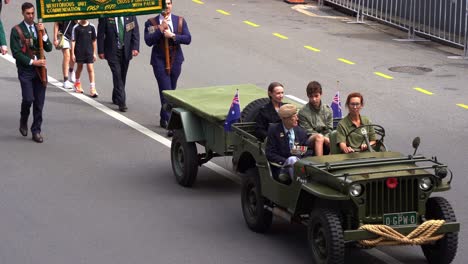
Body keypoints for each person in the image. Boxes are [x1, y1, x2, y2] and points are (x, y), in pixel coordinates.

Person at [144, 0, 191, 136]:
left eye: (169, 3)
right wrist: (160, 29)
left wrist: (173, 36)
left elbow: (188, 38)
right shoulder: (151, 22)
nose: (167, 6)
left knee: (172, 90)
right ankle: (171, 123)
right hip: (159, 60)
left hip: (176, 60)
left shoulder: (179, 21)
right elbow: (148, 40)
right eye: (164, 4)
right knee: (166, 91)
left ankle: (163, 115)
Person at [10, 2, 53, 143]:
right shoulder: (16, 30)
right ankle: (24, 119)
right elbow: (16, 53)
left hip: (40, 70)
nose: (31, 16)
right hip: (26, 70)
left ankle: (36, 131)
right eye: (28, 13)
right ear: (23, 13)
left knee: (39, 103)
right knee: (28, 99)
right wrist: (33, 62)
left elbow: (49, 48)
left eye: (33, 13)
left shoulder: (39, 27)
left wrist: (44, 34)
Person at [98, 16, 140, 112]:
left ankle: (116, 96)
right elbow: (100, 33)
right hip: (112, 50)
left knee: (122, 75)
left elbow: (135, 32)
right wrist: (100, 50)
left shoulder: (130, 16)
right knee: (117, 74)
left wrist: (136, 47)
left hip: (126, 50)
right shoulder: (106, 16)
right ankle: (122, 102)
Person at [266, 104, 311, 183]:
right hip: (281, 167)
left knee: (293, 159)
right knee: (291, 159)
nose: (297, 119)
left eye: (296, 116)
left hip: (301, 166)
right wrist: (287, 160)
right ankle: (300, 183)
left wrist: (297, 157)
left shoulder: (300, 131)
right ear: (284, 119)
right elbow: (270, 153)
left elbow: (308, 150)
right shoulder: (274, 130)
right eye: (294, 117)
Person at [298, 81, 333, 156]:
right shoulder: (303, 112)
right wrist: (324, 138)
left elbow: (329, 129)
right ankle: (319, 162)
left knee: (336, 140)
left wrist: (327, 138)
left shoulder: (328, 109)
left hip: (325, 136)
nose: (314, 99)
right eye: (311, 96)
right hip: (309, 139)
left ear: (321, 94)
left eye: (316, 96)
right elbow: (308, 131)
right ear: (308, 96)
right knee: (319, 137)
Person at [71, 19, 98, 98]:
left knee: (90, 68)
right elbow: (73, 41)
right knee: (80, 67)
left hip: (89, 51)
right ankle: (77, 83)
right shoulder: (76, 27)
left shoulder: (92, 27)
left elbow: (94, 40)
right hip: (79, 51)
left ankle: (92, 88)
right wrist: (72, 53)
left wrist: (94, 53)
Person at [53, 20, 76, 89]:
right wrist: (55, 38)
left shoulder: (77, 9)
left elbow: (80, 22)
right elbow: (56, 23)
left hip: (74, 36)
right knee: (67, 55)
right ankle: (65, 80)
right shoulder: (62, 9)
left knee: (73, 56)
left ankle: (71, 71)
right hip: (63, 35)